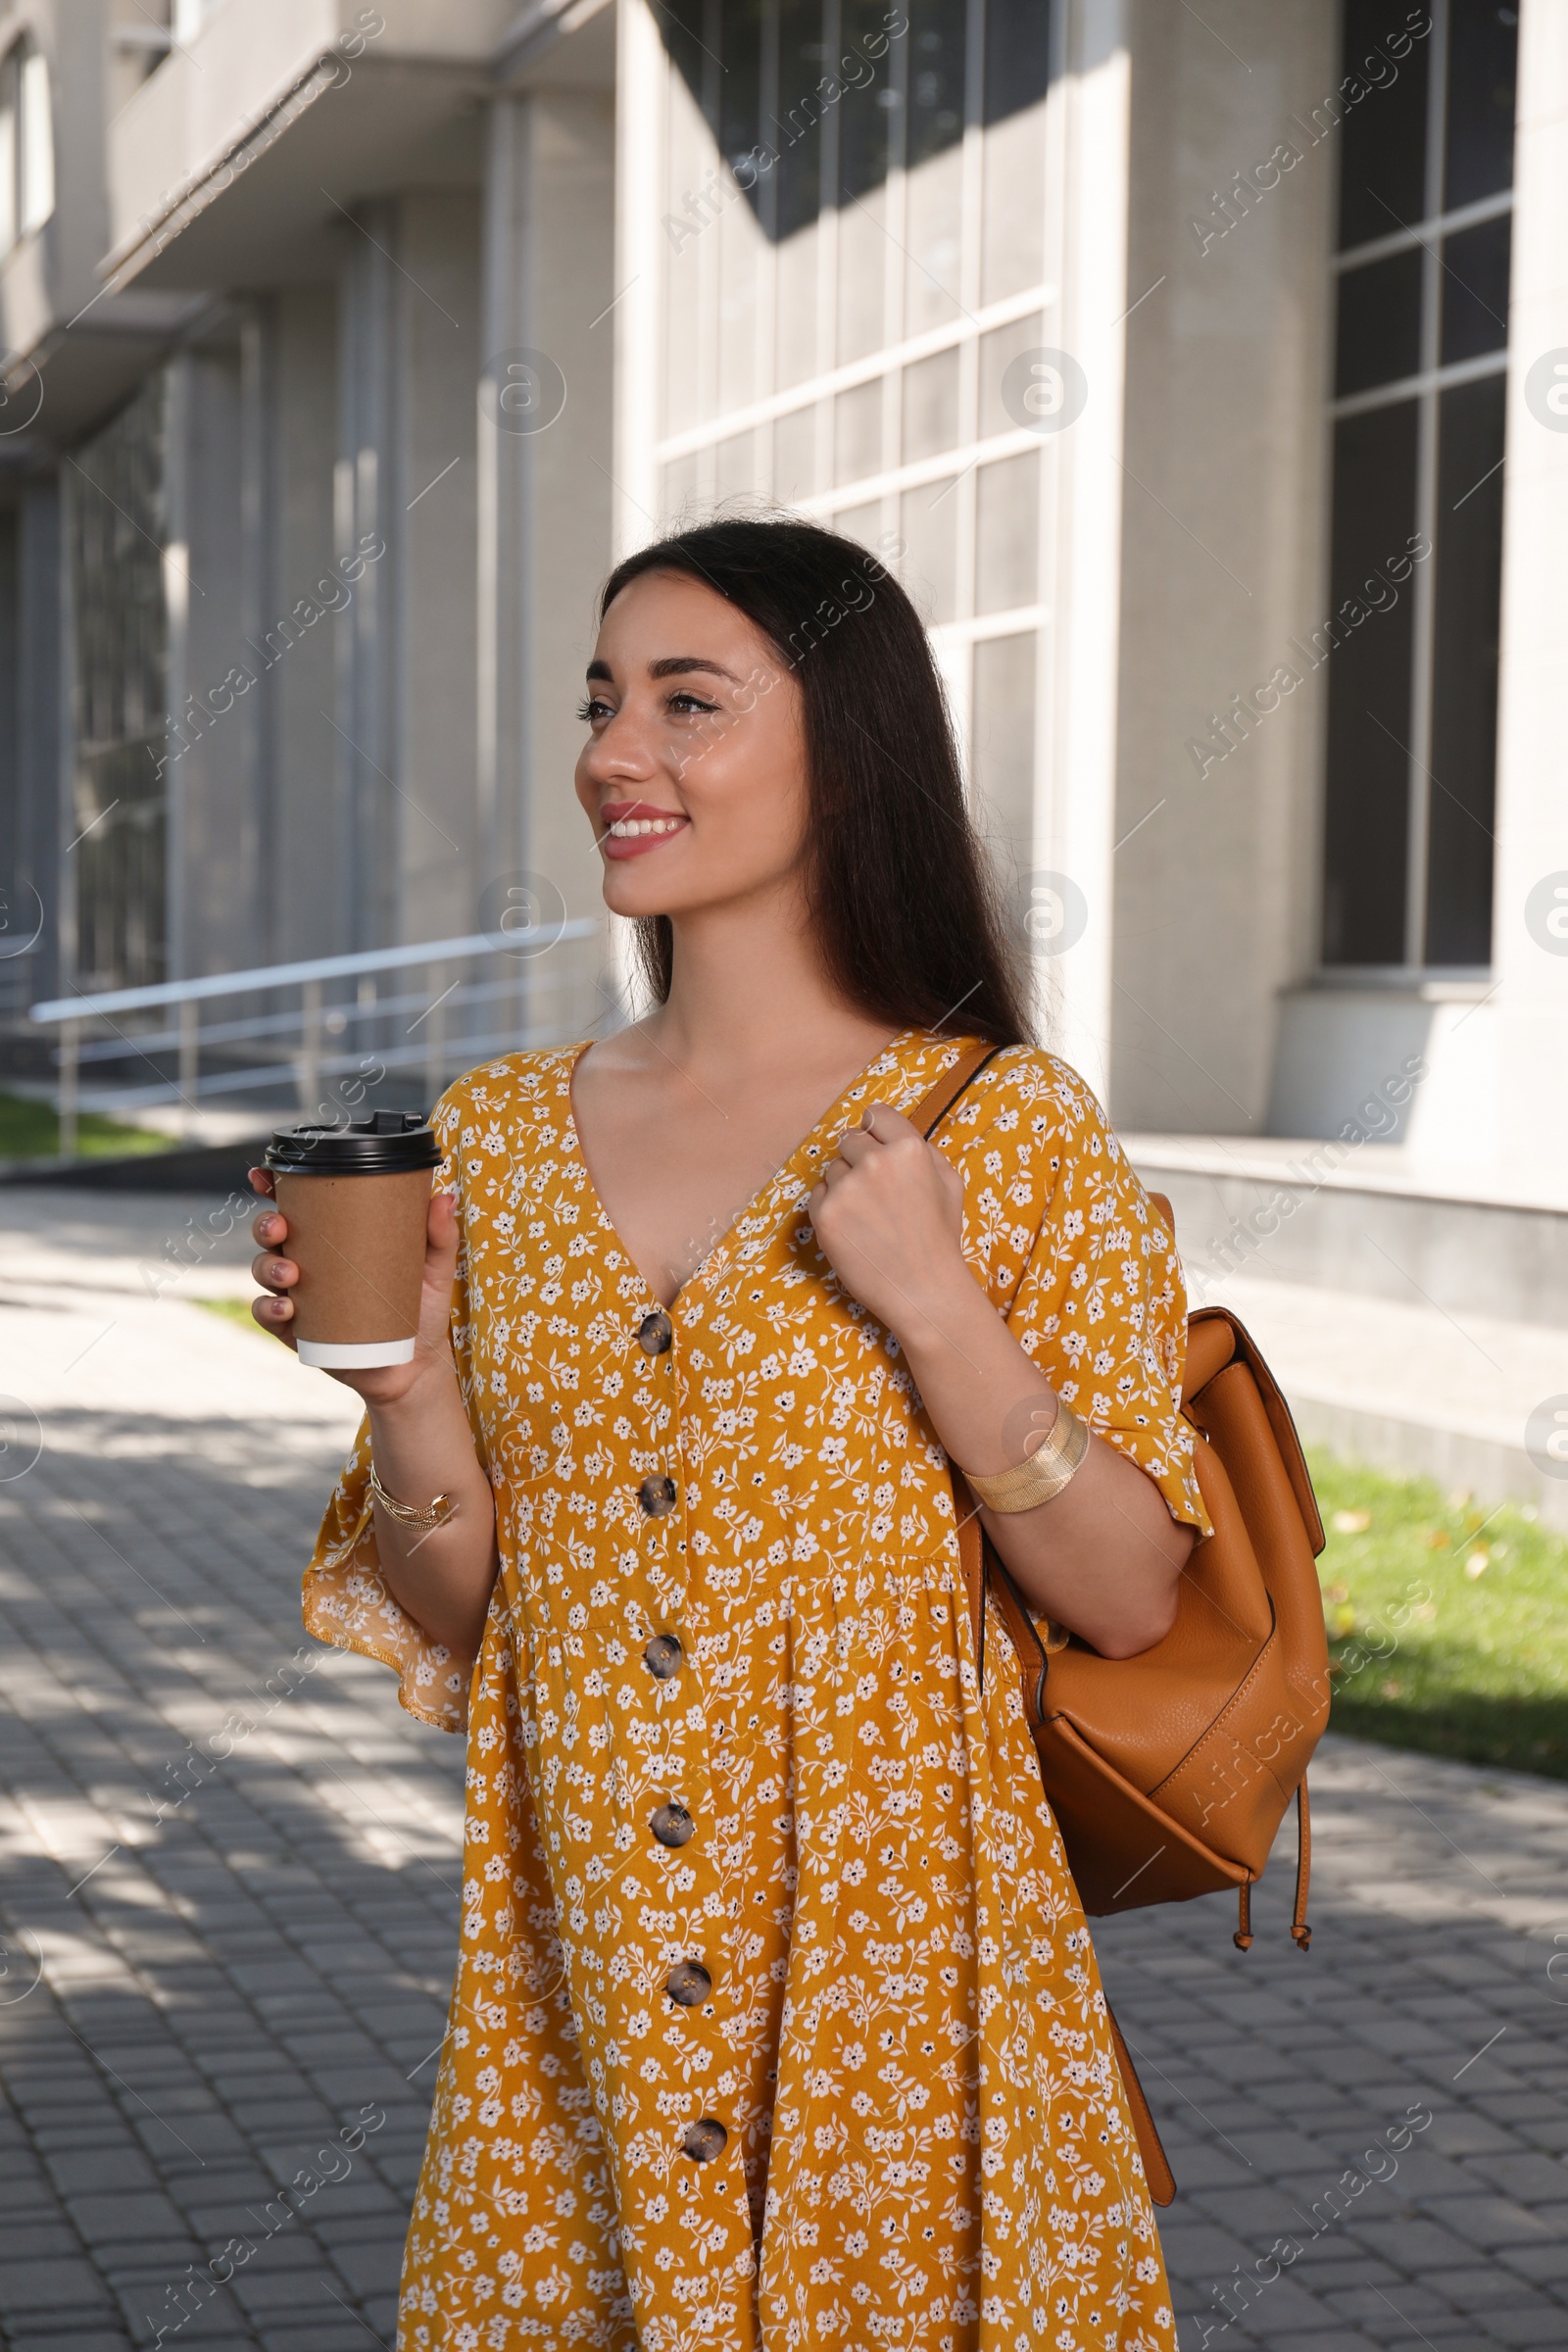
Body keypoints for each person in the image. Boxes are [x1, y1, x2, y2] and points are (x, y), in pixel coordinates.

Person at [249, 516, 1209, 2351]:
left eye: (690, 701)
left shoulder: (1004, 1130)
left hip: (903, 2013)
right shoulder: (501, 1140)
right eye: (604, 701)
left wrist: (937, 1306)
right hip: (577, 1990)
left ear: (846, 750)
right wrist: (407, 1387)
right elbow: (469, 1620)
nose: (617, 753)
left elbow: (1134, 1597)